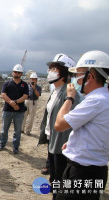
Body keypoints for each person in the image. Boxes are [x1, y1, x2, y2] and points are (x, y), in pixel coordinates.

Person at [55, 50, 109, 200]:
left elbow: (59, 124)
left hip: (82, 172)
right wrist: (75, 142)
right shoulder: (104, 99)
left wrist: (69, 98)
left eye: (78, 75)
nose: (75, 80)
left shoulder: (95, 100)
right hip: (96, 170)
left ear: (89, 76)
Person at [37, 53, 81, 200]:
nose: (50, 71)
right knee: (55, 178)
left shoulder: (70, 94)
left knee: (61, 180)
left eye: (54, 68)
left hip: (63, 145)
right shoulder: (55, 91)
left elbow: (73, 122)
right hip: (53, 139)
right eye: (50, 68)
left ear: (63, 72)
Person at [0, 64, 29, 154]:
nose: (17, 73)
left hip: (19, 111)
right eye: (15, 72)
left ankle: (15, 147)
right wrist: (12, 103)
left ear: (21, 74)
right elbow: (3, 94)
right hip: (7, 110)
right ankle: (2, 144)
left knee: (17, 131)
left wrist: (15, 102)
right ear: (12, 72)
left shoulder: (24, 84)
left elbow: (25, 96)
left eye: (19, 72)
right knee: (4, 129)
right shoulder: (7, 83)